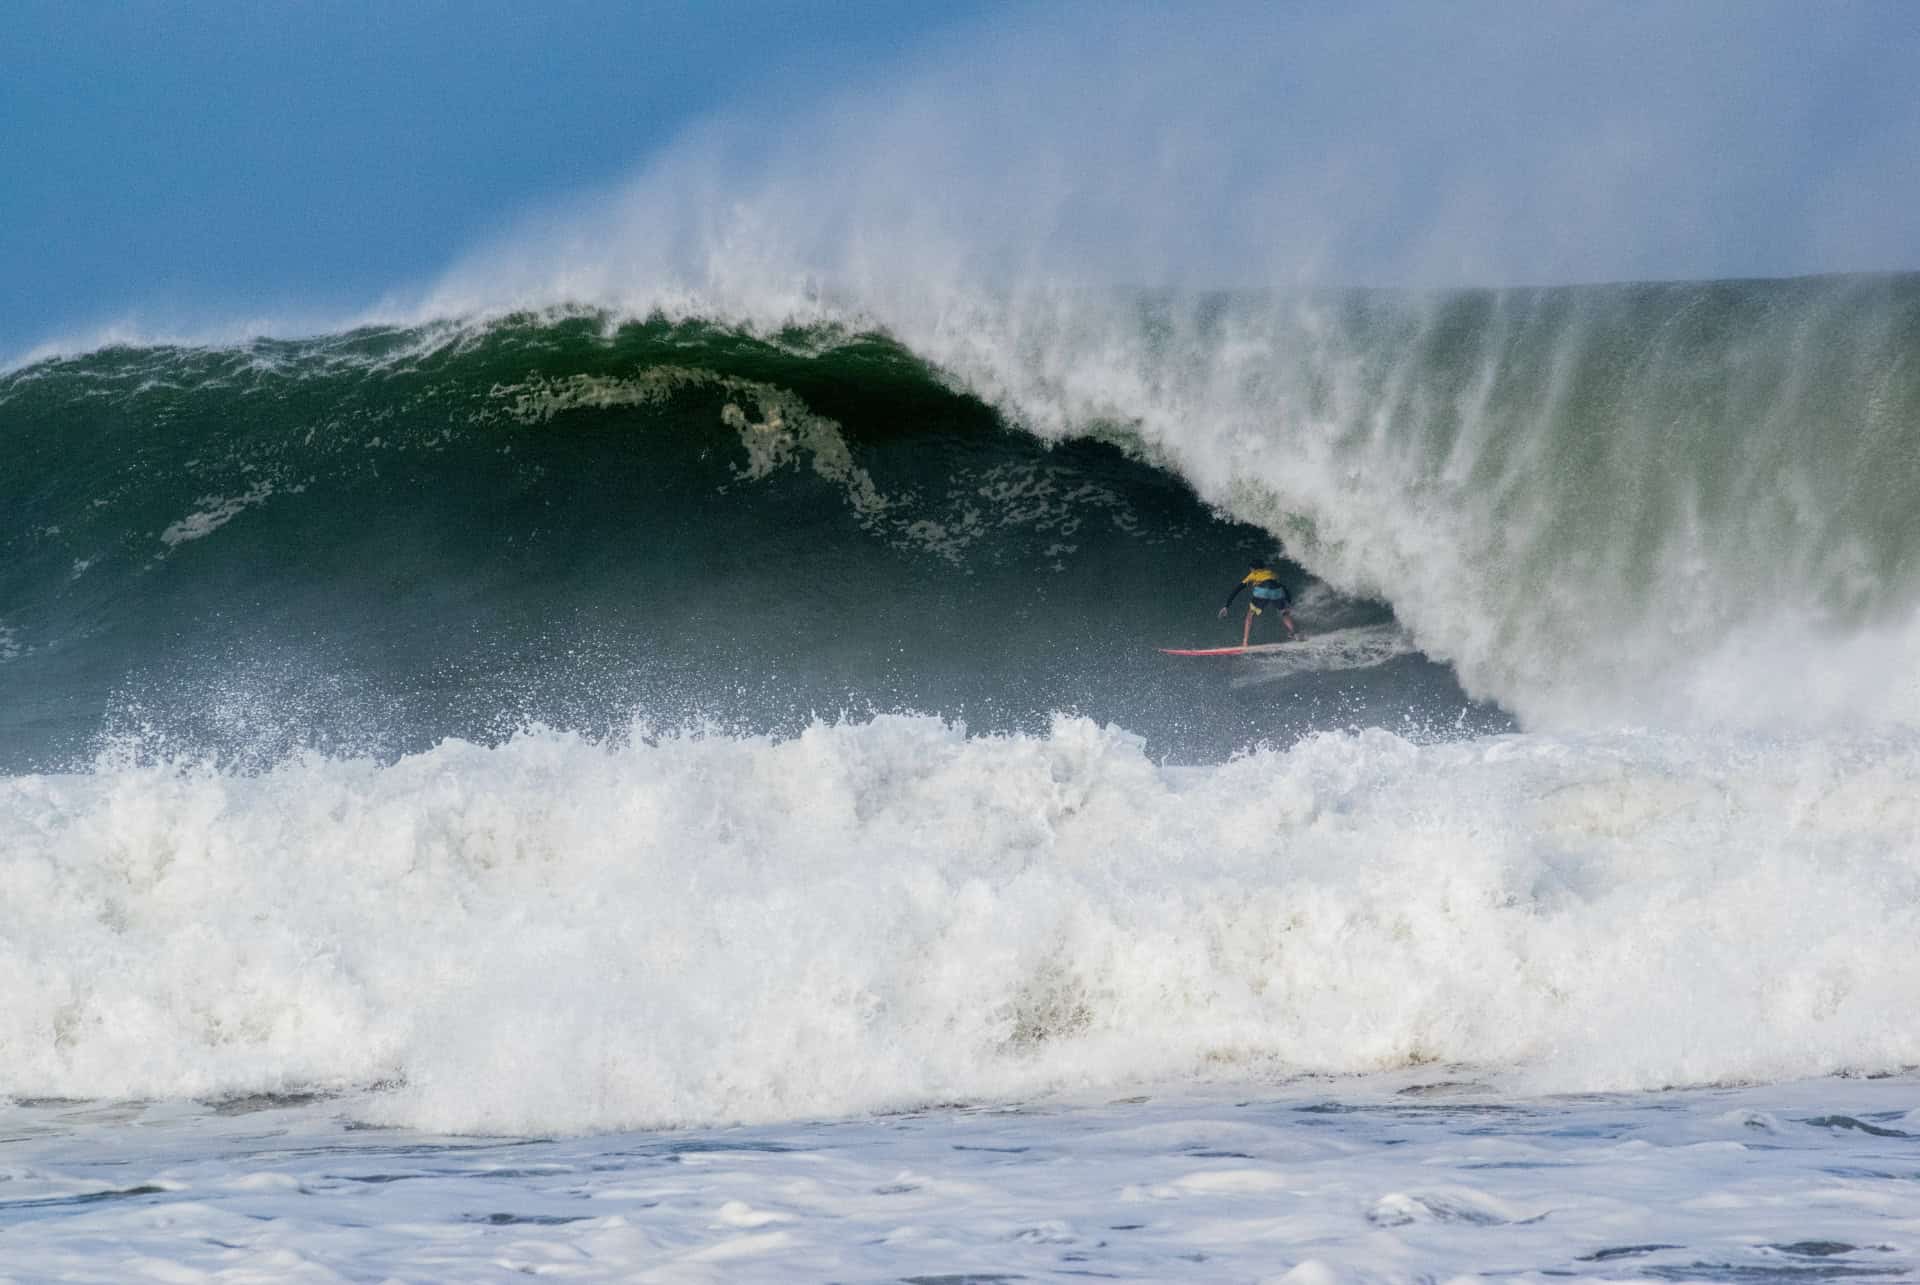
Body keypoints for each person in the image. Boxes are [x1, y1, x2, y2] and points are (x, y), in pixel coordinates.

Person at [1218, 559, 1297, 646]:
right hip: (1277, 591)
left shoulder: (1253, 574)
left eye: (1250, 569)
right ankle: (1293, 633)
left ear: (1253, 569)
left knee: (1249, 615)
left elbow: (1237, 589)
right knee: (1284, 613)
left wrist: (1227, 606)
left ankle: (1245, 642)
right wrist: (1288, 602)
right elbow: (1283, 587)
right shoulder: (1271, 573)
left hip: (1262, 591)